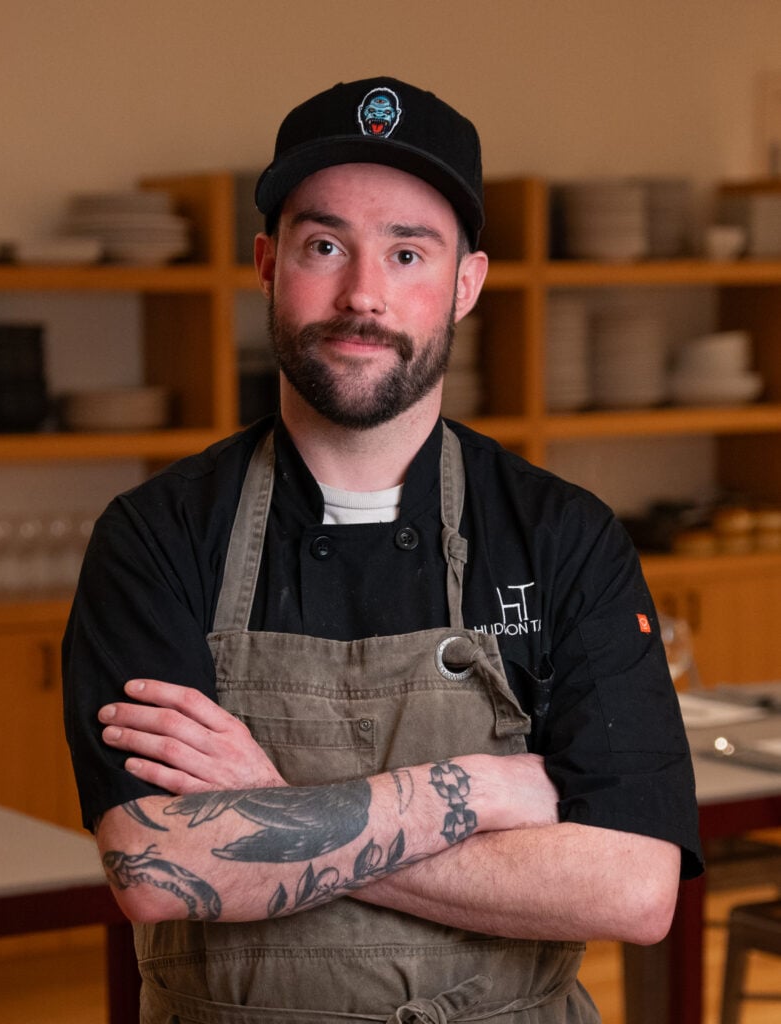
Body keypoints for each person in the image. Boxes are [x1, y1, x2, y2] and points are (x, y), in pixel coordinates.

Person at [63, 76, 703, 1023]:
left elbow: (632, 890)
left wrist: (270, 804)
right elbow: (158, 869)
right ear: (267, 264)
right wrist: (479, 791)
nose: (362, 294)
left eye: (408, 253)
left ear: (466, 284)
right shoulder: (158, 535)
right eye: (325, 246)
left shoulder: (563, 537)